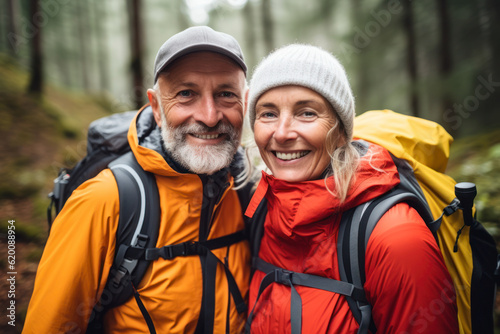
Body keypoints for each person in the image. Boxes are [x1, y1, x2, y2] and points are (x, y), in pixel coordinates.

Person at [23, 26, 251, 334]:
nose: (210, 116)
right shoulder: (105, 199)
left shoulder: (247, 191)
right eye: (186, 94)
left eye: (226, 94)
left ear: (245, 103)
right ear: (156, 108)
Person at [243, 44, 459, 333]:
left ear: (342, 130)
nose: (281, 133)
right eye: (267, 114)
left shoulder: (396, 239)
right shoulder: (261, 214)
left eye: (306, 113)